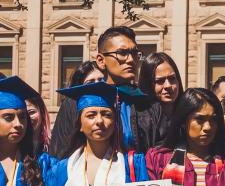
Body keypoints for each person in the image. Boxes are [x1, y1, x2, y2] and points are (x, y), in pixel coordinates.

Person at [49, 26, 165, 157]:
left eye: (135, 53)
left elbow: (159, 157)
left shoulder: (149, 106)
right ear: (101, 60)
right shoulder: (76, 103)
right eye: (122, 53)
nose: (131, 60)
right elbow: (59, 153)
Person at [137, 52, 183, 117]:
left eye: (172, 78)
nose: (168, 85)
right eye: (160, 81)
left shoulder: (189, 117)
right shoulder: (138, 119)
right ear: (148, 84)